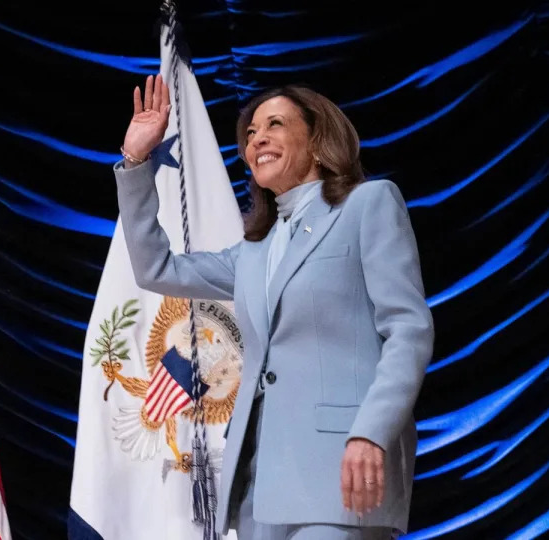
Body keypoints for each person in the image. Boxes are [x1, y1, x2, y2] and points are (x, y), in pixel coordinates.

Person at [114, 74, 434, 540]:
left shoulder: (369, 205)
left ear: (319, 142)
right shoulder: (254, 251)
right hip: (259, 489)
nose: (257, 138)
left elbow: (408, 330)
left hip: (339, 474)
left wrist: (372, 430)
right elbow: (156, 268)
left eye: (275, 125)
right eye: (250, 134)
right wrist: (135, 161)